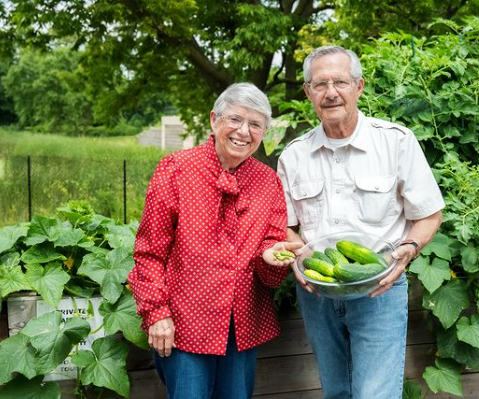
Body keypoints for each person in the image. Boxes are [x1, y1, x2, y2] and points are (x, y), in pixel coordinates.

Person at [277, 45, 445, 398]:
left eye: (340, 81)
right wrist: (295, 256)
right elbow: (287, 225)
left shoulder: (395, 142)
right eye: (320, 84)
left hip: (379, 289)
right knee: (336, 392)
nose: (331, 92)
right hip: (318, 292)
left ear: (359, 86)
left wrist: (409, 250)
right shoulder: (293, 156)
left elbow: (429, 214)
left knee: (375, 395)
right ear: (308, 93)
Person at [128, 82, 301, 399]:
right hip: (184, 322)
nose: (243, 131)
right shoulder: (178, 169)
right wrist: (157, 314)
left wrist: (271, 255)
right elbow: (149, 253)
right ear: (214, 120)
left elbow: (272, 255)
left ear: (264, 132)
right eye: (235, 119)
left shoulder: (267, 180)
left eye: (255, 124)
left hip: (243, 325)